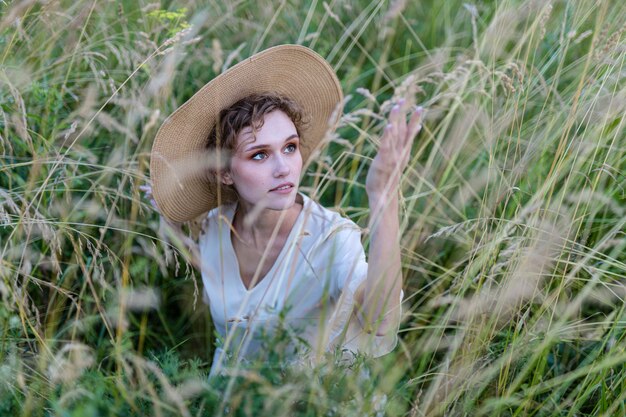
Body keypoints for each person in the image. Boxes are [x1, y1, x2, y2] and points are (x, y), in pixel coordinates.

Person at [146, 44, 423, 377]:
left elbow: (381, 322)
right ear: (224, 172)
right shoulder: (214, 227)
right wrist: (170, 214)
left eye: (290, 147)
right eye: (259, 155)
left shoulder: (331, 240)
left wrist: (384, 197)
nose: (284, 169)